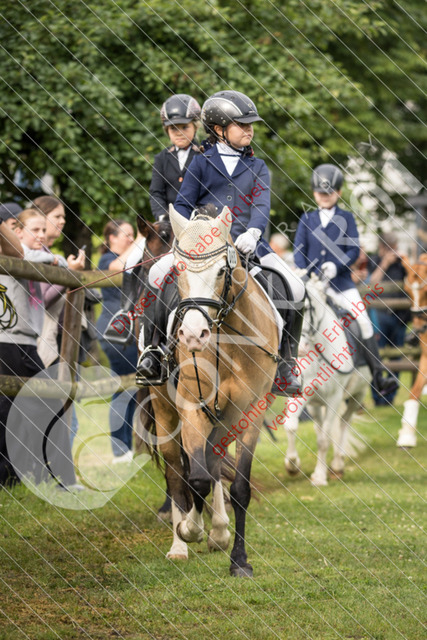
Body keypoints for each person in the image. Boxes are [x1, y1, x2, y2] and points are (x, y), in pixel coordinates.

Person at [136, 89, 305, 396]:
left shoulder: (258, 167)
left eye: (250, 125)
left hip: (249, 247)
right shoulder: (201, 163)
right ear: (218, 129)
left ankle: (286, 363)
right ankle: (154, 351)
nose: (249, 130)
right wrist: (191, 228)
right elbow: (183, 204)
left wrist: (253, 233)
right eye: (242, 124)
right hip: (204, 248)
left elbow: (261, 206)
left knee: (295, 286)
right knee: (156, 275)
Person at [293, 163, 397, 396]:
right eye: (321, 192)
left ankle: (378, 375)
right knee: (296, 320)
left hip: (341, 285)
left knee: (363, 321)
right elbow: (299, 251)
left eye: (329, 193)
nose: (325, 196)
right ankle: (288, 372)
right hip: (313, 287)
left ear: (338, 192)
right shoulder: (307, 219)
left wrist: (336, 266)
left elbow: (352, 251)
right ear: (314, 193)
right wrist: (307, 273)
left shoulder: (347, 218)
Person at [0, 209, 75, 486]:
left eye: (45, 230)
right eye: (36, 229)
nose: (42, 235)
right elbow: (24, 255)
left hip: (25, 341)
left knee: (26, 407)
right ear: (17, 231)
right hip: (9, 340)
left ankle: (30, 475)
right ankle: (52, 477)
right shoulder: (14, 252)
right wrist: (56, 260)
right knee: (27, 406)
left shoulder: (30, 257)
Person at [97, 220, 139, 463]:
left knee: (131, 388)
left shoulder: (131, 259)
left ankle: (126, 448)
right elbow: (116, 267)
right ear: (111, 237)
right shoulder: (107, 259)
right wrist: (141, 241)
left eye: (133, 235)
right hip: (115, 332)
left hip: (129, 332)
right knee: (123, 388)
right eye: (126, 234)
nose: (130, 239)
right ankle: (119, 450)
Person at [368, 233, 411, 405]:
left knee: (396, 357)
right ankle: (377, 397)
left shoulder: (401, 264)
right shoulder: (374, 260)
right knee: (376, 356)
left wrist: (406, 261)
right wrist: (384, 263)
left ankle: (390, 397)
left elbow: (415, 278)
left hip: (400, 317)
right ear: (382, 247)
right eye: (391, 248)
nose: (394, 251)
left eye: (395, 247)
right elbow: (372, 283)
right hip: (380, 316)